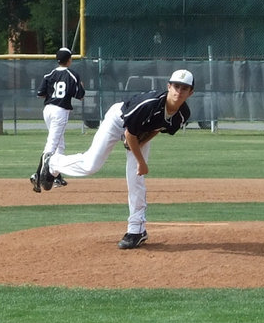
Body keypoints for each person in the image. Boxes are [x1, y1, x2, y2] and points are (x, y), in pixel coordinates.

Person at [33, 69, 195, 249]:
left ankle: (136, 230)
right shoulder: (150, 103)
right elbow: (129, 134)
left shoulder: (182, 114)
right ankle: (53, 162)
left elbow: (158, 127)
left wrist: (143, 143)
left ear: (191, 92)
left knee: (136, 179)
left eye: (185, 88)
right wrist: (141, 162)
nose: (179, 91)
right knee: (91, 165)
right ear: (169, 86)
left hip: (139, 131)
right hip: (118, 119)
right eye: (176, 86)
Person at [30, 47, 85, 192]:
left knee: (60, 145)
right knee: (52, 145)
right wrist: (80, 86)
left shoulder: (50, 74)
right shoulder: (72, 75)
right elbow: (80, 95)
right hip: (60, 111)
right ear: (69, 60)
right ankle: (37, 174)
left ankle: (57, 177)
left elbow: (41, 94)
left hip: (47, 110)